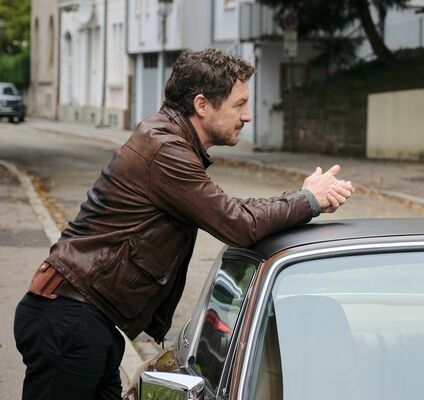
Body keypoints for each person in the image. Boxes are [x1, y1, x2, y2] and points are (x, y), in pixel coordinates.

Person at [13, 48, 355, 399]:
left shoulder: (169, 141)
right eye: (239, 104)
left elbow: (228, 208)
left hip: (84, 320)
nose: (248, 116)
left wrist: (299, 197)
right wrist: (307, 200)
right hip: (69, 319)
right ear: (202, 104)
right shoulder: (164, 149)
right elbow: (235, 222)